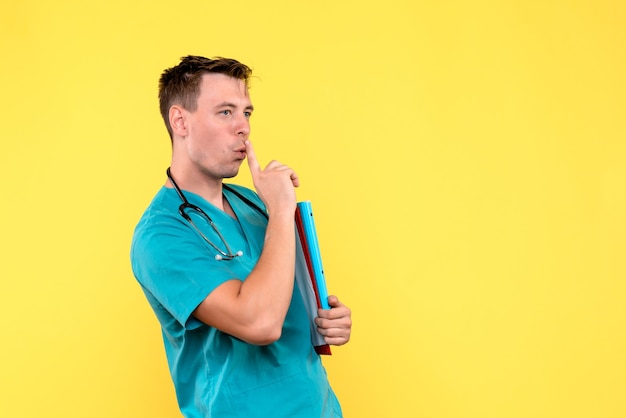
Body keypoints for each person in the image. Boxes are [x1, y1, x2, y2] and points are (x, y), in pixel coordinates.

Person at [130, 55, 352, 417]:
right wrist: (282, 210)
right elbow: (260, 323)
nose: (243, 128)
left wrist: (327, 319)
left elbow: (284, 298)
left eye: (246, 113)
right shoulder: (161, 235)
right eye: (225, 112)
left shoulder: (251, 202)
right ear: (180, 121)